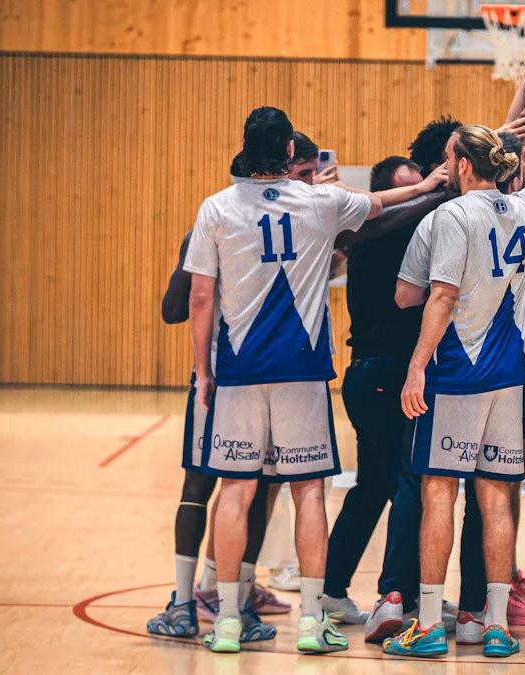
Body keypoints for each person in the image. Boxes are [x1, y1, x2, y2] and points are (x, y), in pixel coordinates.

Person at [184, 106, 390, 654]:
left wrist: (204, 371)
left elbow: (200, 296)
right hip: (302, 372)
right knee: (308, 492)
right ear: (292, 155)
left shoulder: (216, 208)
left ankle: (227, 618)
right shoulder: (320, 201)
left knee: (235, 491)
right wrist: (439, 181)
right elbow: (379, 205)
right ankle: (310, 623)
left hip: (239, 371)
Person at [384, 79, 525, 659]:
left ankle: (432, 623)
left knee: (439, 491)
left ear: (463, 165)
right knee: (496, 496)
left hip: (457, 374)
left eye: (447, 161)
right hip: (509, 375)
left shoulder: (448, 218)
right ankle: (494, 623)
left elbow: (422, 298)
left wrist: (416, 369)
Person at [144, 141, 323, 640]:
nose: (307, 183)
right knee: (206, 489)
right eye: (302, 173)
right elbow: (174, 309)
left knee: (253, 491)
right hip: (222, 375)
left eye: (311, 175)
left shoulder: (295, 218)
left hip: (258, 375)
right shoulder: (219, 220)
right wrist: (194, 259)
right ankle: (187, 600)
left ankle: (228, 598)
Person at [319, 156, 451, 624]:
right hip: (378, 377)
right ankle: (399, 597)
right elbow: (371, 226)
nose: (419, 198)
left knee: (373, 487)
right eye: (410, 191)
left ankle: (332, 590)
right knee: (409, 483)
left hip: (378, 377)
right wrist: (435, 191)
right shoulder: (373, 234)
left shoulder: (410, 232)